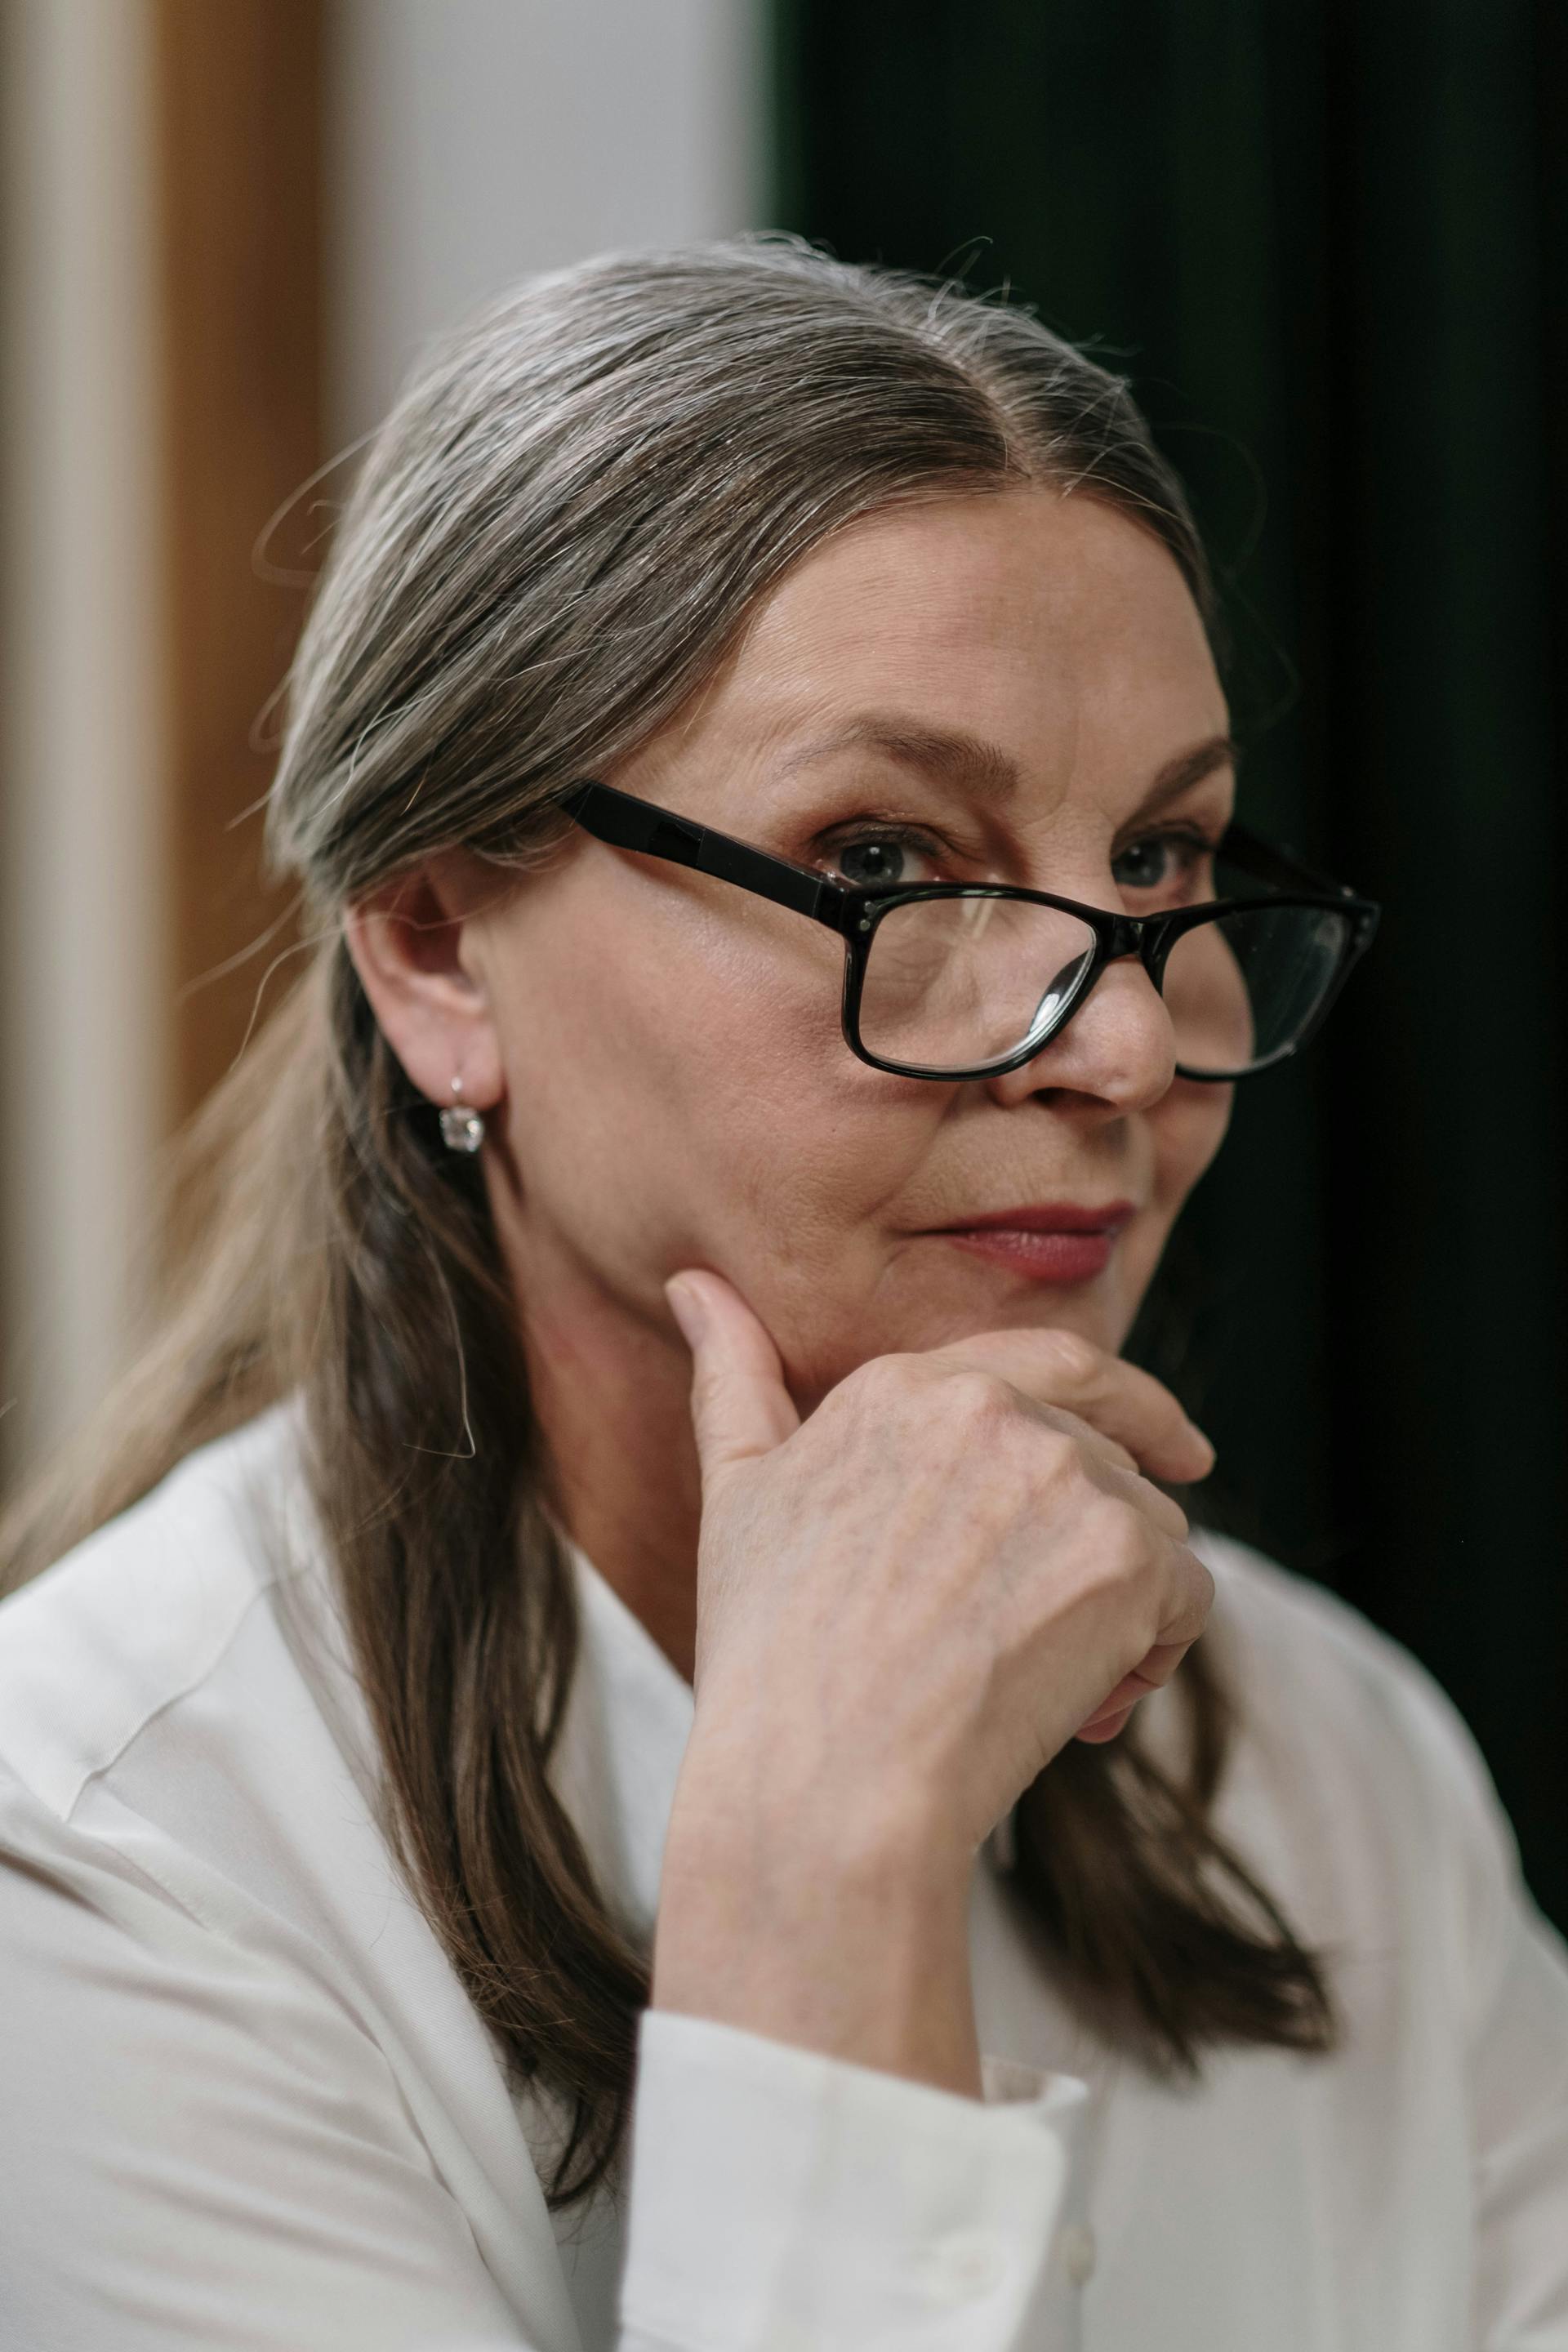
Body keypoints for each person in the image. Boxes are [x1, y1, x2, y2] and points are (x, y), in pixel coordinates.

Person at [0, 235, 1562, 2352]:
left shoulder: (1337, 1768)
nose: (1111, 1047)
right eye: (884, 871)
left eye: (1162, 864)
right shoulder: (100, 1863)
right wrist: (819, 1865)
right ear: (440, 950)